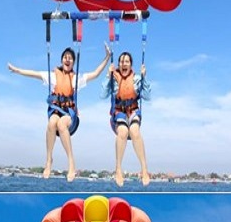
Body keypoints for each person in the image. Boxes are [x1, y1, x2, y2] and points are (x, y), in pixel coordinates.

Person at [8, 44, 111, 182]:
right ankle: (49, 160)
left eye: (70, 58)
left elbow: (96, 74)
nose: (67, 60)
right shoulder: (52, 76)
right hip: (56, 110)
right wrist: (17, 70)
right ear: (62, 60)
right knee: (52, 123)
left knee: (62, 124)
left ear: (73, 62)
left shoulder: (76, 78)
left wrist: (107, 57)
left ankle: (71, 163)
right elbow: (34, 74)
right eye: (65, 57)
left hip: (70, 116)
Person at [101, 51, 152, 187]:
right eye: (122, 61)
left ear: (131, 65)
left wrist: (144, 77)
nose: (124, 64)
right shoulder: (113, 78)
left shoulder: (136, 79)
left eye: (127, 62)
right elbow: (102, 95)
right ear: (118, 64)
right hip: (118, 113)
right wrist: (108, 75)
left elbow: (147, 97)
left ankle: (144, 169)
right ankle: (118, 169)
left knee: (134, 131)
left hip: (133, 111)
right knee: (123, 132)